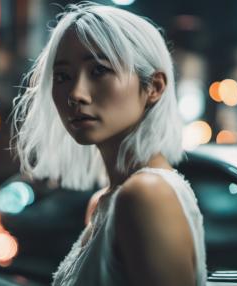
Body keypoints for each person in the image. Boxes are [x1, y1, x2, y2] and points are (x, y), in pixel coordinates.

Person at [11, 2, 206, 285]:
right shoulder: (106, 201)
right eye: (63, 76)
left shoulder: (145, 195)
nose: (76, 94)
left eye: (99, 71)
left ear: (153, 87)